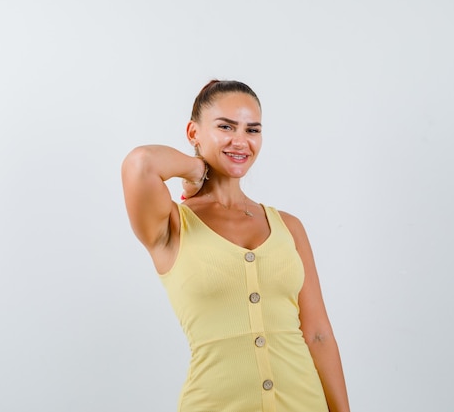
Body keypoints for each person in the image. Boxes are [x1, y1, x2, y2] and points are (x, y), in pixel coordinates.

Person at [121, 80, 350, 412]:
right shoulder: (172, 227)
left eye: (252, 129)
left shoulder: (288, 227)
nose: (240, 140)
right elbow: (140, 163)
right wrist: (196, 169)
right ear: (193, 132)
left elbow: (318, 334)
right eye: (226, 126)